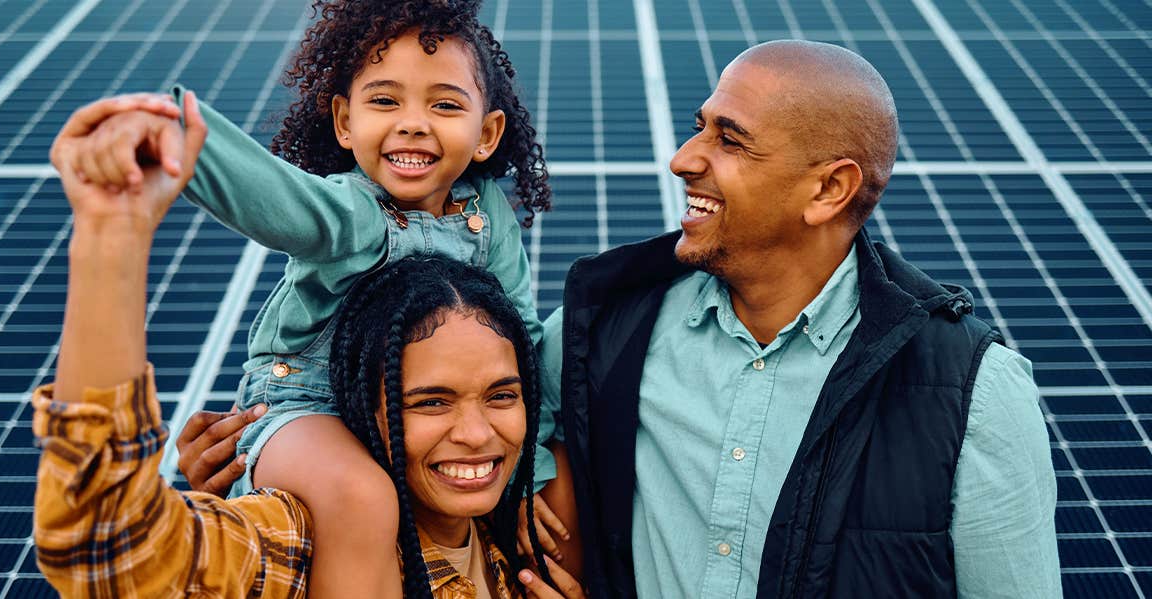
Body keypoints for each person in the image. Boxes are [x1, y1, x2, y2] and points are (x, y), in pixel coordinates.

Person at [180, 39, 1061, 597]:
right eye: (698, 126)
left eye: (730, 140)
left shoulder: (969, 390)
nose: (684, 158)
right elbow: (451, 443)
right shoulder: (600, 333)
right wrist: (272, 469)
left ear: (828, 188)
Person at [57, 0, 573, 594]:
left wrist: (528, 475)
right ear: (344, 122)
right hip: (302, 409)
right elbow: (278, 199)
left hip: (394, 433)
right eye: (385, 101)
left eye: (445, 105)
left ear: (487, 134)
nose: (412, 122)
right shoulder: (351, 212)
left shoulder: (488, 218)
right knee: (360, 497)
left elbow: (523, 341)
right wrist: (178, 138)